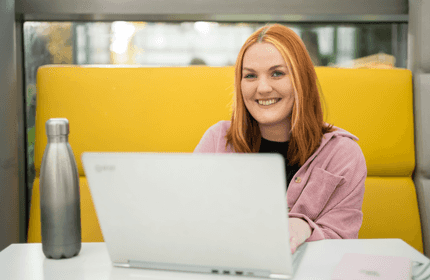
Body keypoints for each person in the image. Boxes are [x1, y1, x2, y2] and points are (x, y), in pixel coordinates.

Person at [193, 24, 367, 254]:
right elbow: (190, 221)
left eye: (277, 73)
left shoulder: (343, 155)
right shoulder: (217, 141)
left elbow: (341, 240)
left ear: (301, 80)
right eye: (250, 76)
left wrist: (304, 227)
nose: (263, 88)